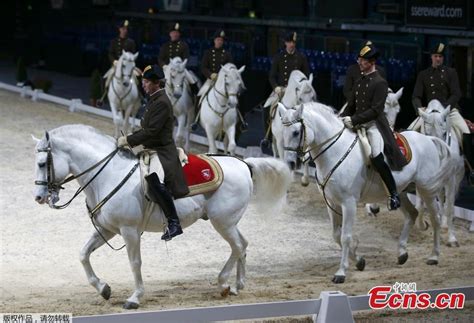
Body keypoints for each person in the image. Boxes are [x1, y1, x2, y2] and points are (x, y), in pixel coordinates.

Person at [117, 65, 189, 241]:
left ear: (156, 83)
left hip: (161, 150)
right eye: (143, 81)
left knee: (154, 179)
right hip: (150, 146)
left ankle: (173, 223)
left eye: (147, 82)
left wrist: (128, 139)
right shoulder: (153, 99)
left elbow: (151, 132)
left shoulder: (162, 102)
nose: (143, 84)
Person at [340, 45, 407, 210]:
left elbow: (376, 111)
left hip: (374, 125)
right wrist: (340, 118)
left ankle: (393, 194)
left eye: (362, 60)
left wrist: (354, 119)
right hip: (357, 122)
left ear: (372, 62)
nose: (359, 62)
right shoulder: (360, 80)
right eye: (359, 59)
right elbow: (351, 104)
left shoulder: (380, 82)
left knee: (376, 155)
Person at [411, 42, 469, 142]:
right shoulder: (423, 74)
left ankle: (467, 157)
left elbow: (456, 93)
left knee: (465, 131)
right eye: (436, 56)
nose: (438, 59)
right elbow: (416, 96)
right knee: (410, 130)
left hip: (449, 110)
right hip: (430, 112)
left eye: (440, 56)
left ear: (443, 58)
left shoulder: (451, 72)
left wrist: (445, 108)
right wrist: (419, 109)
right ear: (431, 57)